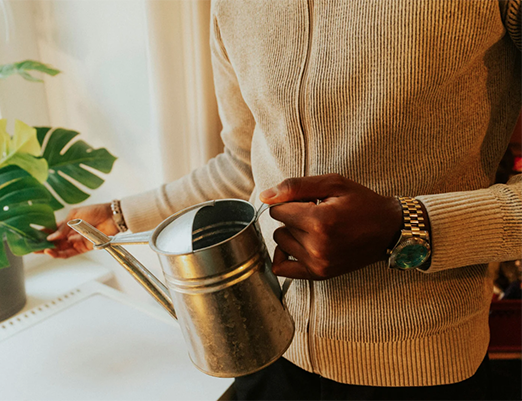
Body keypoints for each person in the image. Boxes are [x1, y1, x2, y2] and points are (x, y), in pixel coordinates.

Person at [43, 1, 522, 400]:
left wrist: (407, 226)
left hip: (420, 364)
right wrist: (119, 215)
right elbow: (245, 165)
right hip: (270, 339)